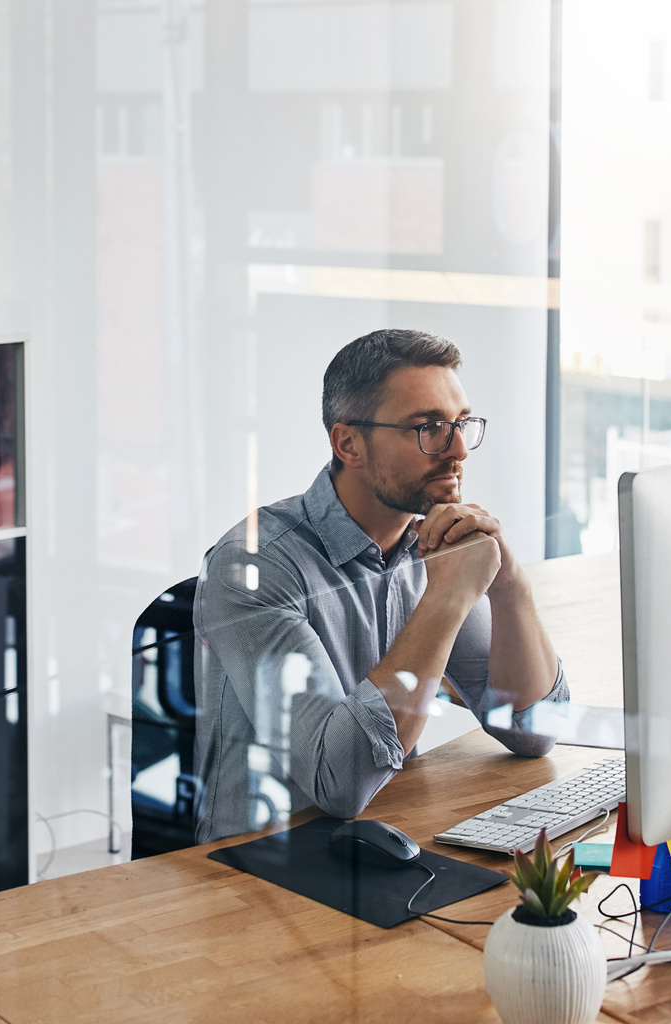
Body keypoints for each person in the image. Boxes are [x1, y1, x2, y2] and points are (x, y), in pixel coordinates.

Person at [192, 328, 567, 843]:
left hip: (387, 837)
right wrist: (448, 597)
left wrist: (509, 584)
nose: (457, 449)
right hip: (262, 868)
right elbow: (339, 783)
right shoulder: (253, 569)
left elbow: (534, 730)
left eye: (461, 424)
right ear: (349, 443)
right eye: (428, 427)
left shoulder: (432, 541)